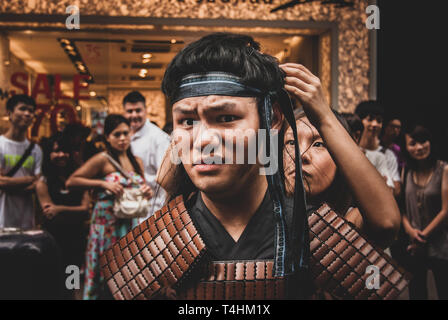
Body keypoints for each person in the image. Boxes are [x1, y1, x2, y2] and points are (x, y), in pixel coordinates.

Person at [100, 33, 406, 300]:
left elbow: (386, 227)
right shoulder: (160, 243)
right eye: (187, 121)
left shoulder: (307, 228)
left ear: (271, 120)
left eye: (225, 118)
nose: (203, 139)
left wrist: (324, 116)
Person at [282, 108, 399, 247]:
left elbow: (387, 223)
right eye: (291, 142)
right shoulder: (263, 212)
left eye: (318, 144)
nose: (300, 155)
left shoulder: (350, 222)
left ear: (341, 159)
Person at [66, 114, 153, 300]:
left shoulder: (136, 161)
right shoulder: (102, 159)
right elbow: (72, 181)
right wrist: (102, 184)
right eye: (116, 134)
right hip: (105, 225)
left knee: (127, 272)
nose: (122, 138)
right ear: (107, 137)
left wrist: (146, 191)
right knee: (102, 271)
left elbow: (140, 187)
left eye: (125, 133)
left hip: (129, 224)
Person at [36, 133, 90, 298]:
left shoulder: (78, 178)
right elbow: (49, 213)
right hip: (53, 241)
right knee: (53, 281)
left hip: (76, 242)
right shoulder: (43, 181)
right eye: (56, 151)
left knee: (71, 281)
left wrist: (59, 209)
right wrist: (71, 211)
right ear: (49, 154)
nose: (61, 155)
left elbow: (86, 209)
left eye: (65, 151)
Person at [401, 124, 448, 300]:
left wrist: (423, 236)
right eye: (413, 143)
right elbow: (402, 209)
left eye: (423, 141)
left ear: (430, 142)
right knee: (417, 293)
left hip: (440, 245)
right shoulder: (406, 171)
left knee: (444, 291)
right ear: (406, 147)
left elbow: (446, 210)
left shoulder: (443, 169)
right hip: (414, 246)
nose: (419, 147)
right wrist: (410, 231)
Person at [122, 91, 170, 222]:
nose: (134, 115)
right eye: (130, 111)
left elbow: (166, 178)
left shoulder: (158, 138)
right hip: (128, 209)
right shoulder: (125, 136)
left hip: (151, 212)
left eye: (138, 110)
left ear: (145, 110)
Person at [0, 94, 42, 229]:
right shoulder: (1, 144)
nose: (27, 114)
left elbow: (38, 183)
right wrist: (29, 179)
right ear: (9, 113)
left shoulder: (35, 149)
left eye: (31, 111)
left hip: (26, 221)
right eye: (22, 109)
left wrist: (9, 184)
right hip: (2, 218)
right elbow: (1, 182)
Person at [355, 101, 399, 194]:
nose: (375, 124)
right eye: (370, 119)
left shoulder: (387, 154)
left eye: (379, 121)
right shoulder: (352, 150)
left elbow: (394, 189)